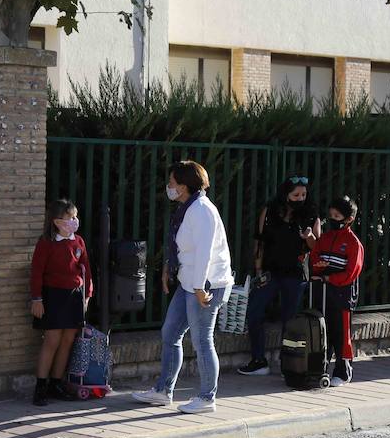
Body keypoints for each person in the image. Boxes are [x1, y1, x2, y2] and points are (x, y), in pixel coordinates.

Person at [133, 161, 233, 414]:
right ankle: (163, 391)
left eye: (172, 182)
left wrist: (199, 288)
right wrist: (170, 268)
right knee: (170, 333)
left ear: (185, 185)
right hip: (190, 282)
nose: (168, 187)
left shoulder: (201, 210)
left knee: (201, 340)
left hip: (206, 285)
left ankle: (207, 397)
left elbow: (204, 253)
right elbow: (182, 247)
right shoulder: (187, 208)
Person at [239, 177, 320, 376]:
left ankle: (289, 363)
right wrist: (258, 270)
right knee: (255, 312)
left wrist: (309, 237)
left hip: (295, 273)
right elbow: (260, 242)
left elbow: (317, 247)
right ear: (285, 195)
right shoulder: (270, 212)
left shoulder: (311, 215)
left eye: (303, 195)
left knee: (289, 319)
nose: (300, 199)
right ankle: (259, 359)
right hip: (270, 271)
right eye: (295, 195)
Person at [26, 199, 92, 406]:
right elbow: (36, 273)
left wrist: (87, 294)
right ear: (56, 221)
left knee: (67, 341)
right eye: (70, 217)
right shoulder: (46, 243)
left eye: (75, 216)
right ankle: (41, 387)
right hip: (53, 295)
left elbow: (86, 269)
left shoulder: (79, 241)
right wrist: (37, 298)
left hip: (73, 296)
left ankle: (56, 383)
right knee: (52, 341)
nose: (74, 221)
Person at [310, 196, 364, 386]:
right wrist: (318, 267)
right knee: (323, 331)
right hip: (324, 292)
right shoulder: (325, 238)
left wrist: (329, 277)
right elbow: (315, 257)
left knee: (341, 333)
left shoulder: (353, 243)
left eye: (337, 216)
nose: (333, 219)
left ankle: (343, 371)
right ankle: (321, 368)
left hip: (342, 294)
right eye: (331, 215)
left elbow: (351, 272)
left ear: (348, 219)